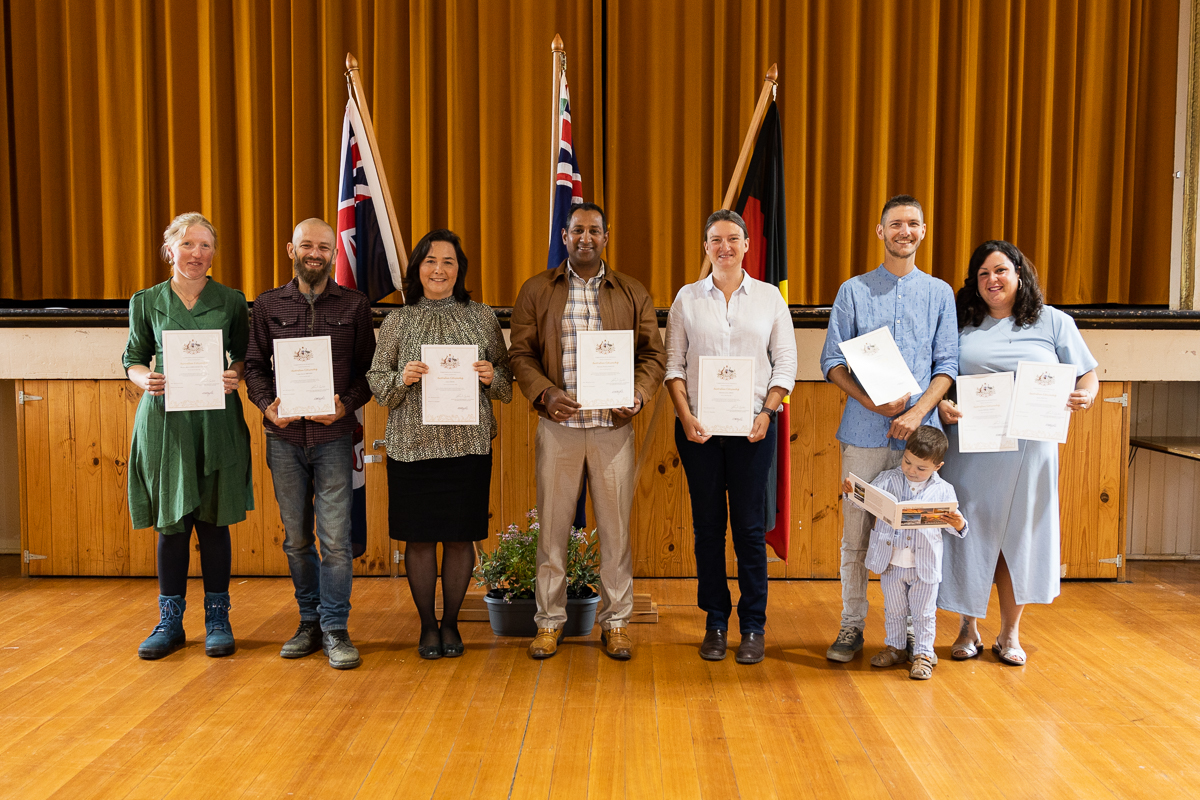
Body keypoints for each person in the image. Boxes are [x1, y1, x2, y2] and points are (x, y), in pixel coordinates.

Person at [509, 202, 666, 661]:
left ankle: (615, 623)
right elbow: (520, 354)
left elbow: (653, 357)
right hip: (558, 428)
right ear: (564, 236)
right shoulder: (537, 290)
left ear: (606, 236)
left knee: (616, 532)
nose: (585, 238)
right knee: (553, 530)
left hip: (611, 429)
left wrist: (636, 395)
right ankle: (549, 622)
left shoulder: (631, 291)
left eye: (594, 231)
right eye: (577, 230)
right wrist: (544, 394)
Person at [937, 240, 1098, 666]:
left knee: (1018, 541)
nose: (993, 280)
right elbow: (940, 377)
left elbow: (1088, 377)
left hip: (1031, 450)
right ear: (974, 282)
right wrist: (942, 404)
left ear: (1019, 275)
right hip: (973, 448)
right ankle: (967, 628)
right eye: (984, 273)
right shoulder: (960, 323)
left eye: (1001, 270)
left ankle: (1010, 633)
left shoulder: (1053, 322)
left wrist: (1086, 396)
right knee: (967, 533)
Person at [820, 194, 959, 663]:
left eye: (913, 224)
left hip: (921, 440)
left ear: (923, 232)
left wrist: (917, 413)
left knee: (922, 536)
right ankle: (851, 627)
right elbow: (832, 361)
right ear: (880, 232)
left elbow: (948, 365)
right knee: (856, 537)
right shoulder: (853, 291)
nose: (905, 231)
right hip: (863, 433)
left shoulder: (940, 293)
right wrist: (870, 401)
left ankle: (916, 638)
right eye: (895, 224)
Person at [368, 229, 512, 660]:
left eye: (448, 262)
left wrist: (492, 376)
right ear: (417, 269)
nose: (439, 270)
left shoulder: (482, 316)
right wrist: (401, 378)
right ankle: (427, 626)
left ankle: (451, 624)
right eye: (430, 261)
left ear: (459, 270)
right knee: (418, 539)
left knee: (459, 538)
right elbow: (377, 380)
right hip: (412, 447)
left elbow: (507, 379)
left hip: (467, 447)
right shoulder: (397, 320)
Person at [665, 209, 797, 665]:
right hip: (698, 433)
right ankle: (716, 622)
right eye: (716, 240)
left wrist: (768, 411)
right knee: (707, 531)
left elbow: (785, 364)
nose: (725, 247)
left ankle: (754, 625)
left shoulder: (768, 299)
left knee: (748, 529)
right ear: (706, 247)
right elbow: (673, 366)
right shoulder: (686, 298)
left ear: (746, 245)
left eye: (733, 239)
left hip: (753, 432)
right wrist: (684, 417)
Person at [244, 218, 376, 670]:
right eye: (306, 245)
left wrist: (344, 406)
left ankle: (336, 627)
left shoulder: (356, 306)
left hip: (334, 438)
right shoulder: (266, 305)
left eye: (323, 246)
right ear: (291, 250)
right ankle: (309, 622)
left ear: (334, 254)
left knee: (336, 541)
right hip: (283, 439)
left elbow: (367, 375)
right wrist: (266, 405)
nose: (315, 253)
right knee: (298, 540)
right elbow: (255, 367)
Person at [124, 212, 253, 660]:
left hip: (216, 420)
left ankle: (218, 618)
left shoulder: (232, 300)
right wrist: (144, 380)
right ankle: (170, 622)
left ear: (213, 252)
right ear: (170, 250)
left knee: (214, 522)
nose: (196, 254)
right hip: (166, 421)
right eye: (188, 245)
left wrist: (234, 374)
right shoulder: (146, 301)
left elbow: (243, 357)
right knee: (172, 524)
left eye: (205, 246)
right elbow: (133, 357)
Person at [843, 426, 967, 680]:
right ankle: (896, 647)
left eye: (921, 468)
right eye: (907, 462)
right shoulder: (889, 478)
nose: (911, 470)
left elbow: (958, 527)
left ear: (937, 466)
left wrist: (958, 524)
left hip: (925, 566)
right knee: (894, 610)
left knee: (923, 613)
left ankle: (922, 653)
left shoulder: (944, 490)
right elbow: (865, 502)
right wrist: (852, 493)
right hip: (891, 562)